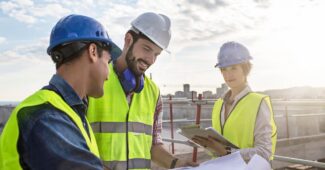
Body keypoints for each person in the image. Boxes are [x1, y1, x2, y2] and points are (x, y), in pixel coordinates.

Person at [0, 14, 120, 169]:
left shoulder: (69, 112)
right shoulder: (46, 117)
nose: (108, 74)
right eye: (108, 62)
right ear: (93, 51)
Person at [87, 12, 198, 169]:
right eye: (146, 49)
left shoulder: (153, 92)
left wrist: (176, 163)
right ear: (128, 40)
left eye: (156, 54)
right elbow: (75, 146)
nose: (151, 60)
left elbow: (154, 145)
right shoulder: (93, 81)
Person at [192, 41, 277, 162]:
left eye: (234, 68)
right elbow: (218, 149)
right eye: (224, 69)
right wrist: (207, 144)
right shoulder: (218, 105)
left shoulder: (258, 103)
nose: (228, 74)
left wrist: (226, 152)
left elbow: (265, 152)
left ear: (245, 69)